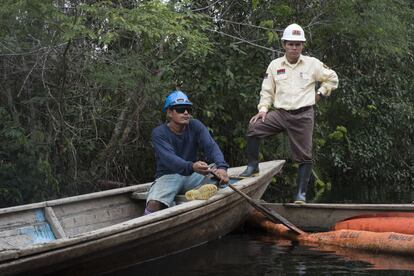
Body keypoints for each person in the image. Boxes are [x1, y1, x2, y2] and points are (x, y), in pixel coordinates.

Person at [240, 23, 339, 204]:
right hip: (281, 113)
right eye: (291, 44)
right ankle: (253, 166)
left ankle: (300, 194)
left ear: (302, 46)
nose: (294, 47)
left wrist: (320, 93)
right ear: (284, 44)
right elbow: (267, 91)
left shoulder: (313, 64)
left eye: (298, 44)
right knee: (254, 126)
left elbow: (333, 78)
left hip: (303, 115)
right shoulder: (274, 65)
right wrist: (263, 110)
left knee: (304, 155)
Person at [145, 90, 230, 214]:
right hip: (169, 176)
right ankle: (147, 226)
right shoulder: (159, 133)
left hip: (192, 175)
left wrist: (222, 168)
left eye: (188, 109)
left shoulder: (196, 126)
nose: (186, 113)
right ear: (169, 113)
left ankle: (199, 191)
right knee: (154, 204)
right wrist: (192, 166)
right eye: (180, 109)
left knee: (217, 173)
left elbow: (211, 147)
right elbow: (170, 160)